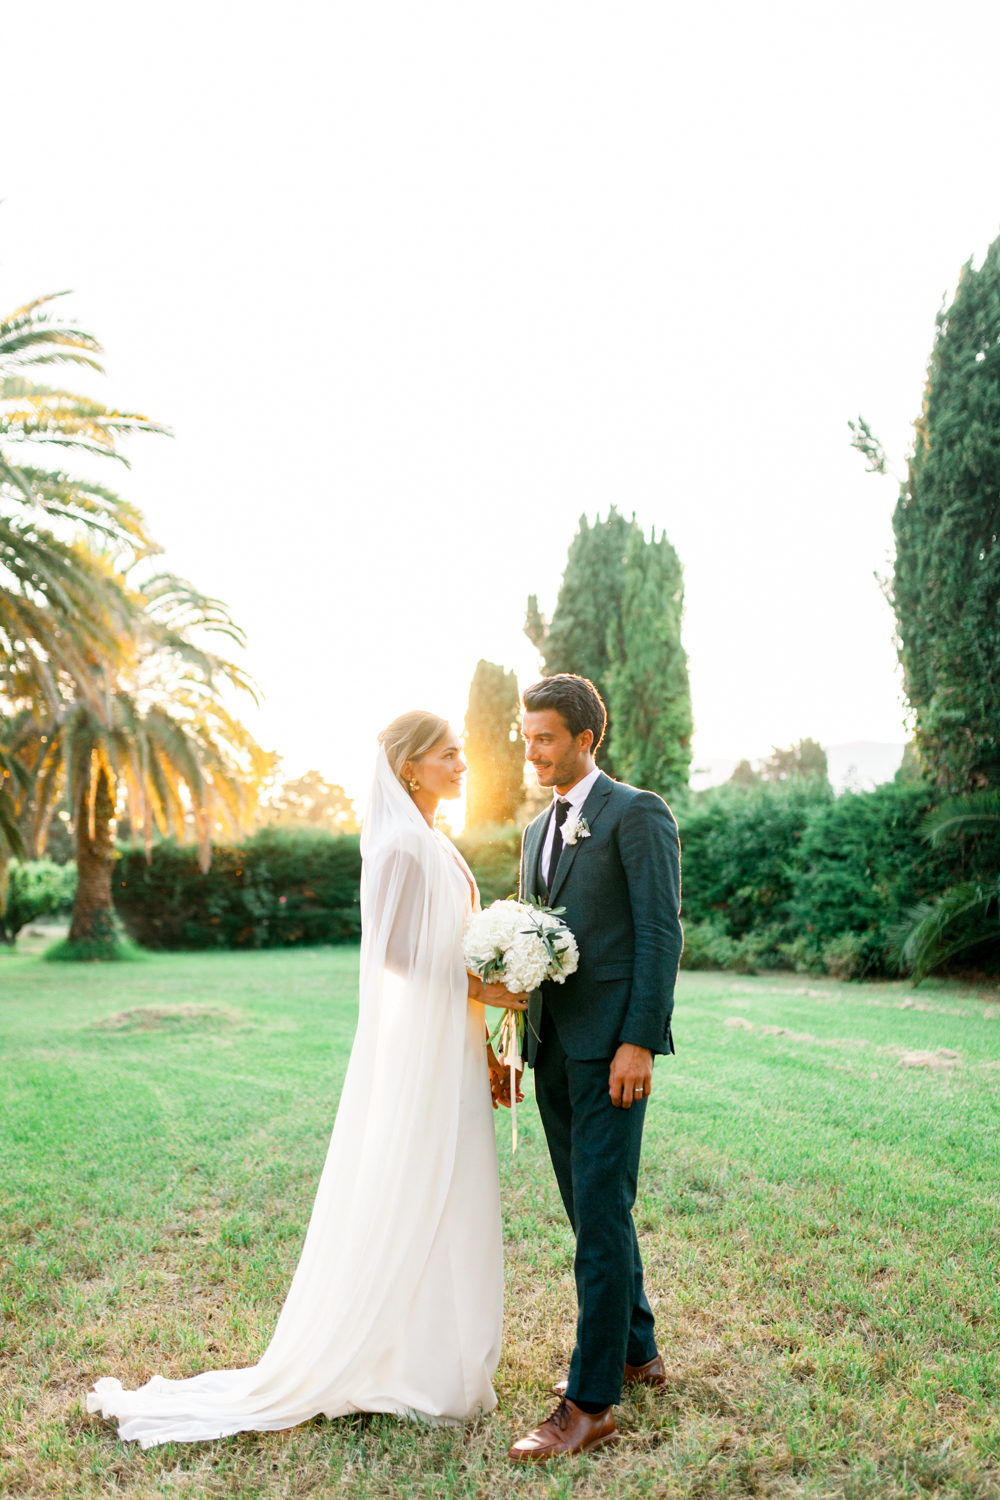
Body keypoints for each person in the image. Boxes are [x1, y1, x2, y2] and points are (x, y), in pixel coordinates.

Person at [87, 712, 525, 1448]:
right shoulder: (396, 847)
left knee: (454, 1189)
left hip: (451, 1042)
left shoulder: (434, 839)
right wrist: (484, 991)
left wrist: (487, 1041)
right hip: (421, 1050)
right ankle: (409, 1365)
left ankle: (441, 1359)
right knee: (420, 1185)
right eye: (449, 754)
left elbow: (451, 947)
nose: (463, 763)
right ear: (411, 766)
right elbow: (390, 956)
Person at [505, 674, 682, 1464]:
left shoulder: (635, 813)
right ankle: (639, 1352)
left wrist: (639, 1040)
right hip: (550, 1050)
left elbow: (659, 932)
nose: (532, 750)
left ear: (585, 739)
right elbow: (530, 943)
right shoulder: (535, 828)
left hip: (612, 1052)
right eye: (527, 737)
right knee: (591, 1211)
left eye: (545, 737)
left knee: (600, 1217)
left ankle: (590, 1402)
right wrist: (513, 1044)